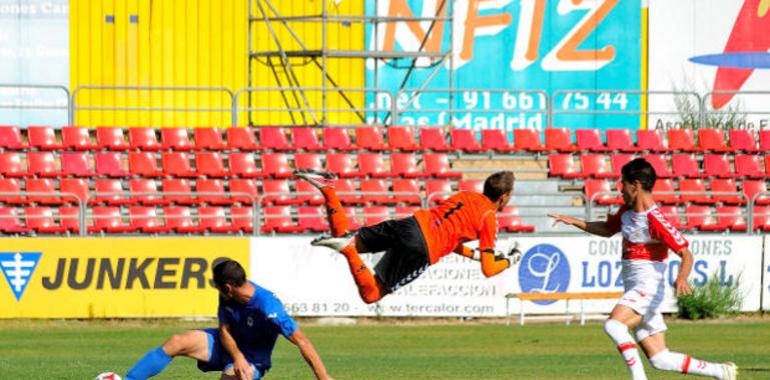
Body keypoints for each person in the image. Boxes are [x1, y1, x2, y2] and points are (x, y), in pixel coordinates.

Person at [548, 158, 737, 380]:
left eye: (623, 183)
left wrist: (682, 278)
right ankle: (721, 371)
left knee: (614, 326)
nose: (620, 189)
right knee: (659, 358)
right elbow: (608, 229)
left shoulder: (655, 219)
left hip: (648, 287)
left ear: (635, 185)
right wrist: (574, 221)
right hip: (637, 287)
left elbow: (686, 253)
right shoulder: (626, 212)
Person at [295, 169, 521, 304]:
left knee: (347, 238)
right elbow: (489, 269)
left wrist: (473, 254)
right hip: (422, 248)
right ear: (504, 197)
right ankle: (347, 250)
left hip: (412, 225)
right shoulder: (489, 217)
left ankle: (328, 187)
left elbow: (450, 237)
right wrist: (511, 259)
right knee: (372, 294)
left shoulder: (466, 195)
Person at [125, 259, 332, 380]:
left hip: (253, 358)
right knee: (177, 341)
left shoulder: (269, 307)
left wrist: (323, 377)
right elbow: (224, 329)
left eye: (217, 286)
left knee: (232, 377)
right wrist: (236, 355)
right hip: (226, 344)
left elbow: (302, 340)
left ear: (227, 287)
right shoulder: (228, 294)